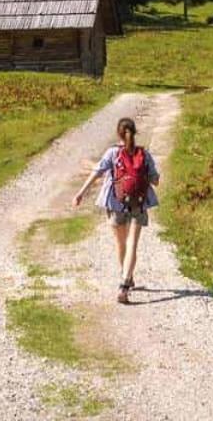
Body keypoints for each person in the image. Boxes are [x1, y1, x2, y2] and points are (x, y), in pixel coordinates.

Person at [71, 116, 160, 303]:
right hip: (139, 203)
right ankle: (125, 284)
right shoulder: (144, 154)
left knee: (121, 244)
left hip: (115, 202)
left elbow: (97, 172)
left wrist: (80, 193)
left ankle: (124, 276)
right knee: (132, 245)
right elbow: (155, 181)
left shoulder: (112, 153)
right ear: (135, 133)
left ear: (118, 133)